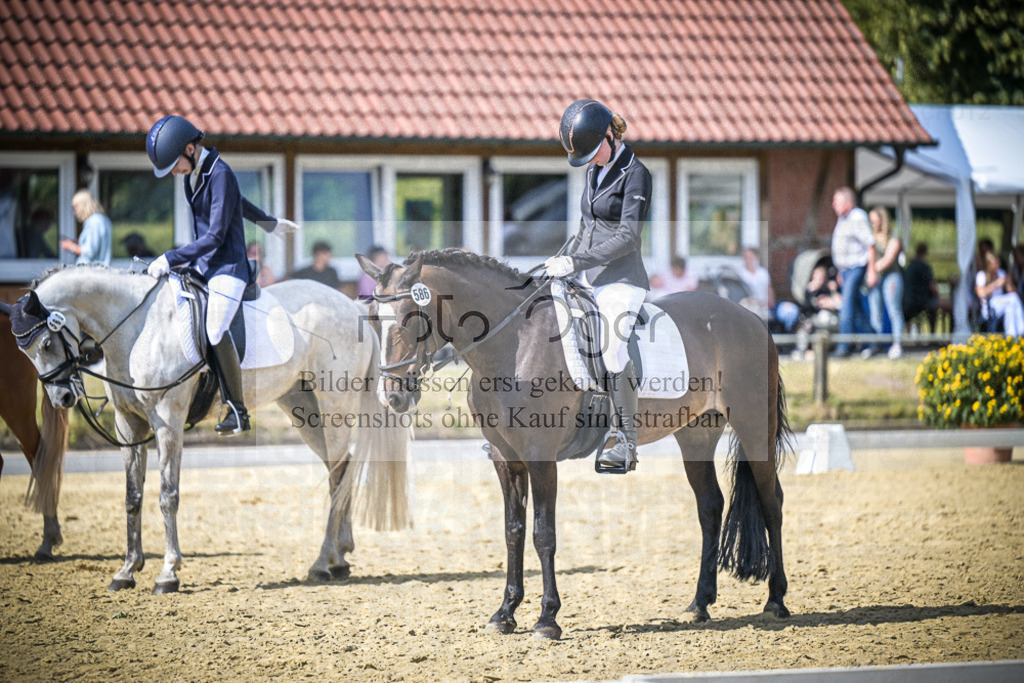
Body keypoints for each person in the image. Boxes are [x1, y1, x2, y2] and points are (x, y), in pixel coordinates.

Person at [144, 115, 295, 435]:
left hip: (228, 267)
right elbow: (236, 203)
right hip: (205, 265)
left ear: (189, 149)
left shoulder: (220, 173)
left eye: (173, 165)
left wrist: (170, 257)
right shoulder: (194, 174)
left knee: (214, 330)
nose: (173, 172)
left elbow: (214, 236)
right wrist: (268, 222)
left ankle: (237, 410)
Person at [542, 98, 651, 472]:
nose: (591, 161)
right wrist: (561, 260)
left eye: (593, 153)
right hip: (587, 277)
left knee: (612, 347)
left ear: (609, 135)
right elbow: (586, 228)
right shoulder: (594, 171)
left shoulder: (636, 174)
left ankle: (625, 440)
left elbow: (627, 237)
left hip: (622, 280)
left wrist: (576, 262)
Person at [829, 187, 876, 358]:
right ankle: (873, 340)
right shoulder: (842, 219)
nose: (833, 205)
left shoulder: (857, 217)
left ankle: (844, 346)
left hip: (856, 267)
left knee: (846, 306)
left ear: (847, 203)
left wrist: (871, 270)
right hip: (846, 271)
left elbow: (870, 244)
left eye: (837, 201)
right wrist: (840, 271)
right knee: (855, 308)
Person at [866, 206, 904, 359]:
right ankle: (876, 344)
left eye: (874, 220)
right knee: (875, 312)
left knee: (894, 310)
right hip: (875, 278)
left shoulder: (893, 237)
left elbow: (888, 259)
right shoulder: (870, 236)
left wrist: (871, 272)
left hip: (891, 276)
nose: (873, 223)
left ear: (882, 219)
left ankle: (897, 344)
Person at [975, 250, 1024, 336]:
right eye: (995, 264)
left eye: (998, 263)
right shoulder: (981, 275)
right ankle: (1022, 329)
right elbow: (980, 294)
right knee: (1013, 298)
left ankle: (1012, 336)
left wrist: (1009, 283)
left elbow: (1014, 294)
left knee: (1010, 308)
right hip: (989, 306)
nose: (997, 266)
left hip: (1002, 305)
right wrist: (996, 284)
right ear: (989, 264)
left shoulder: (1001, 273)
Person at [60, 190, 112, 265]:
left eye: (75, 207)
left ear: (83, 206)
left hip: (90, 269)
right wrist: (79, 242)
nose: (74, 212)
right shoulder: (102, 219)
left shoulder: (94, 222)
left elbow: (90, 252)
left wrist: (71, 246)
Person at [902, 242, 939, 334]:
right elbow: (933, 287)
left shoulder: (909, 266)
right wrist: (938, 296)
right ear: (925, 253)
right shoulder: (924, 266)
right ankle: (933, 333)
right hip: (921, 302)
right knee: (941, 305)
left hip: (907, 301)